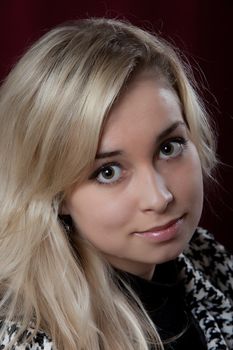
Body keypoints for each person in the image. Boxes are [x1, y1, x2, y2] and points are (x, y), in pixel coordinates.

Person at [0, 18, 232, 350]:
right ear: (54, 191)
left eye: (169, 148)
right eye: (108, 171)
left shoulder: (208, 261)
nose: (159, 197)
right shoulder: (28, 337)